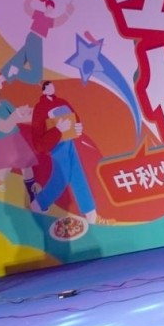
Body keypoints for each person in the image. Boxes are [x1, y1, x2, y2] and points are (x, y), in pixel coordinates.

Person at [30, 81, 105, 224]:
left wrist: (78, 127)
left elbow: (75, 118)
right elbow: (38, 143)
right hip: (56, 145)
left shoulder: (62, 102)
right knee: (62, 177)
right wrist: (57, 130)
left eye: (52, 84)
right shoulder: (40, 108)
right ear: (43, 89)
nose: (51, 87)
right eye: (47, 85)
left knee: (77, 175)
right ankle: (38, 204)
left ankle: (91, 214)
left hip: (69, 141)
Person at [0, 0, 74, 88]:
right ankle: (16, 71)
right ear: (46, 7)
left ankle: (1, 78)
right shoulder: (39, 15)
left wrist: (67, 13)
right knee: (36, 76)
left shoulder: (49, 21)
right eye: (49, 7)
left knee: (19, 59)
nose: (50, 10)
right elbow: (26, 7)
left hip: (36, 40)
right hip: (34, 39)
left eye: (52, 9)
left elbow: (59, 21)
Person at [0, 81, 39, 203]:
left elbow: (18, 118)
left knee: (26, 165)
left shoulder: (5, 103)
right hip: (3, 141)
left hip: (16, 137)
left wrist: (35, 113)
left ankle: (32, 195)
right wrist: (18, 113)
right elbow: (4, 127)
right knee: (5, 167)